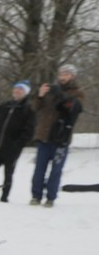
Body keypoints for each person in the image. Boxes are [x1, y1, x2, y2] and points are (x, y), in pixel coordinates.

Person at [30, 64, 86, 207]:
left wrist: (61, 96)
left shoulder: (78, 92)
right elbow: (34, 108)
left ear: (73, 76)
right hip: (44, 135)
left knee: (56, 170)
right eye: (61, 74)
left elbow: (74, 109)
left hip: (61, 137)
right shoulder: (50, 89)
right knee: (39, 169)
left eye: (66, 74)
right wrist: (40, 95)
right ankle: (36, 196)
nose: (63, 77)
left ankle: (50, 197)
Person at [0, 81, 36, 203]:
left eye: (21, 90)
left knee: (8, 174)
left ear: (25, 92)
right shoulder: (3, 106)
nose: (17, 92)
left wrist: (17, 145)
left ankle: (4, 197)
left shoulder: (28, 110)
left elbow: (29, 131)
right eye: (16, 89)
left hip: (12, 149)